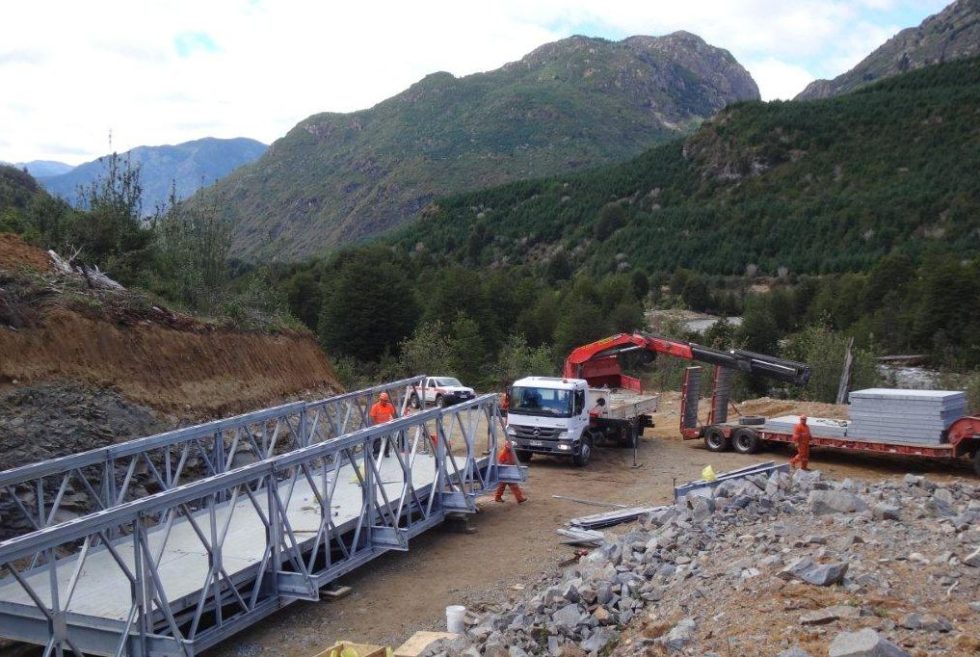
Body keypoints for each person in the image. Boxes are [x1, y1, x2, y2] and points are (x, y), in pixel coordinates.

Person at [369, 392, 397, 457]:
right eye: (383, 400)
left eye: (386, 401)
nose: (384, 402)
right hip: (378, 425)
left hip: (386, 425)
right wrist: (376, 425)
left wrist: (392, 421)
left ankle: (386, 452)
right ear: (380, 400)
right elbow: (372, 416)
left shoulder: (389, 406)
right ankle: (376, 453)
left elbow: (393, 414)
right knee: (377, 439)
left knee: (387, 439)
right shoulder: (375, 406)